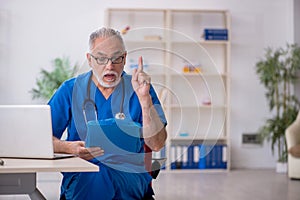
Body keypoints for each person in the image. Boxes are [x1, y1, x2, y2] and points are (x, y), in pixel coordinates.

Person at [48, 27, 167, 200]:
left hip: (129, 177)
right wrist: (69, 147)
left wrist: (144, 101)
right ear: (89, 60)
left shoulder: (140, 89)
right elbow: (42, 139)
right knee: (97, 174)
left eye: (116, 58)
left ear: (125, 58)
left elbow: (157, 144)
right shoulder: (70, 89)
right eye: (101, 58)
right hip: (84, 174)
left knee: (105, 174)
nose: (109, 66)